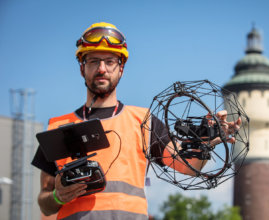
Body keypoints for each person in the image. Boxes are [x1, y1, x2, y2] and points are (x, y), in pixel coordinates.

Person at [31, 22, 241, 220]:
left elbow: (187, 167)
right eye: (93, 61)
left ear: (121, 68)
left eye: (110, 61)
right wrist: (58, 196)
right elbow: (44, 202)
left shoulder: (143, 121)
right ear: (82, 68)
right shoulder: (58, 127)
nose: (102, 68)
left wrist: (204, 140)